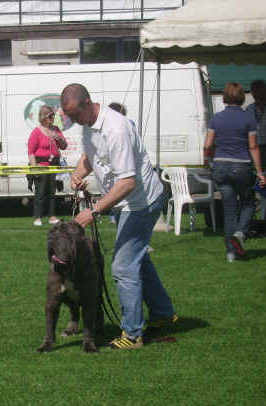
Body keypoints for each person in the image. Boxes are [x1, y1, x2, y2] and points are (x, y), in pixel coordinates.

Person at [60, 83, 176, 349]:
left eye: (76, 115)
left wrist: (95, 210)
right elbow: (90, 157)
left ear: (88, 104)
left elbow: (127, 183)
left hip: (142, 202)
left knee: (123, 266)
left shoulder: (116, 129)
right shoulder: (88, 126)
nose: (75, 121)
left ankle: (133, 335)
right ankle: (164, 313)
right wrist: (78, 174)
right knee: (137, 259)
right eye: (71, 117)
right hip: (128, 203)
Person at [204, 82, 266, 262]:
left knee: (229, 209)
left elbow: (207, 145)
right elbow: (253, 146)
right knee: (248, 203)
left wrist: (210, 162)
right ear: (242, 97)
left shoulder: (216, 118)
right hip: (242, 166)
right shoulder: (248, 118)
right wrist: (260, 172)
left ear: (225, 97)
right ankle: (240, 233)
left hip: (221, 166)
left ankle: (231, 253)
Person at [28, 105, 68, 226]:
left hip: (54, 164)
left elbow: (64, 146)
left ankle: (51, 216)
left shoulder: (56, 130)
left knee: (52, 191)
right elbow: (31, 152)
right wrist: (35, 169)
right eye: (50, 116)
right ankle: (38, 217)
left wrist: (59, 139)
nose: (53, 118)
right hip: (41, 164)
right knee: (40, 192)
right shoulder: (36, 132)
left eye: (53, 115)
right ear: (44, 117)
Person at [246, 80, 266, 169]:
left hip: (256, 146)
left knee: (258, 174)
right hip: (257, 146)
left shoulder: (249, 109)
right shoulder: (249, 109)